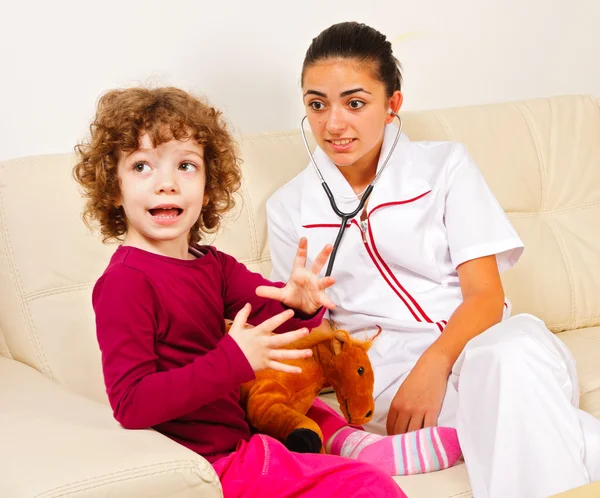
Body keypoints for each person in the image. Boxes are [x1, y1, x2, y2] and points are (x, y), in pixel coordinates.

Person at [266, 21, 600, 498]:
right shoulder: (289, 208)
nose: (333, 124)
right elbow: (309, 344)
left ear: (392, 105)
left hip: (494, 346)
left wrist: (435, 365)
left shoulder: (445, 166)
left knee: (510, 358)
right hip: (394, 387)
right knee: (536, 427)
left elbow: (486, 296)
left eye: (355, 103)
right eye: (317, 104)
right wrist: (301, 312)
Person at [73, 86, 406, 498]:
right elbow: (131, 403)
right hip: (208, 461)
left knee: (317, 421)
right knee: (366, 485)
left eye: (186, 166)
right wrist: (233, 361)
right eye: (142, 166)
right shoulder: (126, 282)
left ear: (209, 187)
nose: (166, 184)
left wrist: (299, 305)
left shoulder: (212, 264)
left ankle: (346, 440)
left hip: (240, 442)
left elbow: (272, 314)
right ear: (113, 189)